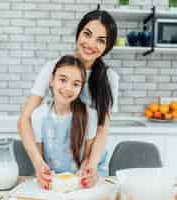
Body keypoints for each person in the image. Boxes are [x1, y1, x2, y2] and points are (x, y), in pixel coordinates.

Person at [18, 9, 119, 189]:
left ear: (107, 47)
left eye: (101, 40)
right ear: (78, 33)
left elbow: (102, 128)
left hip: (91, 165)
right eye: (87, 34)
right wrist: (39, 163)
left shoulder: (109, 78)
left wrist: (91, 164)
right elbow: (24, 119)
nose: (90, 43)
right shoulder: (53, 68)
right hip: (57, 166)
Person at [31, 55, 106, 189]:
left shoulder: (90, 115)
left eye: (76, 84)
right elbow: (40, 160)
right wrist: (44, 175)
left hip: (80, 182)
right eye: (63, 80)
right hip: (54, 183)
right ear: (51, 80)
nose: (68, 88)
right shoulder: (38, 115)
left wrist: (85, 175)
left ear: (81, 88)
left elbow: (88, 158)